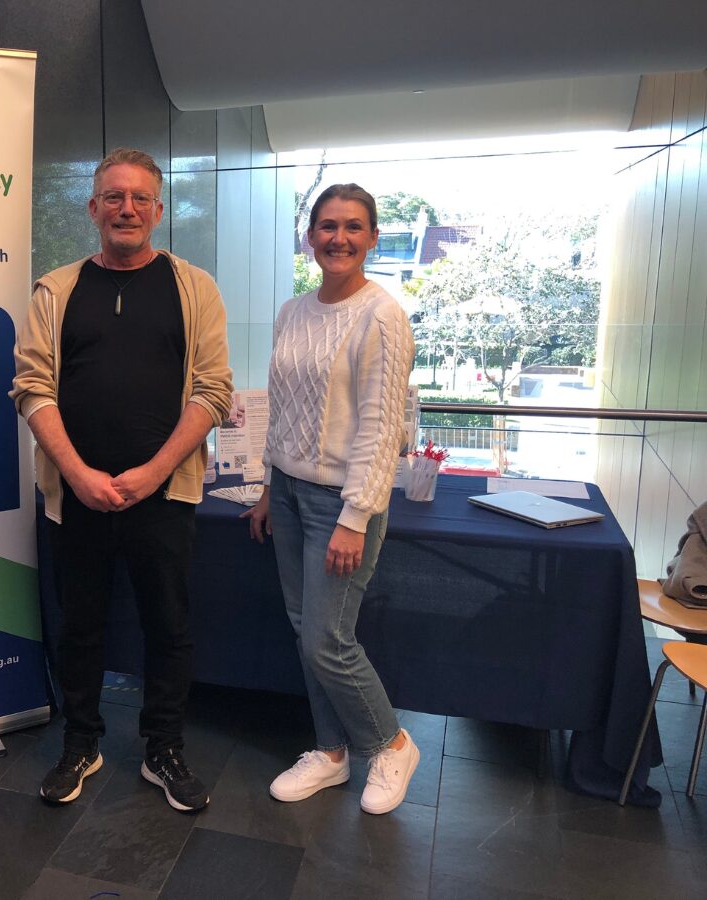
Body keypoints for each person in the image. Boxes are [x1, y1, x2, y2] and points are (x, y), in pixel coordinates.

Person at [11, 148, 232, 812]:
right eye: (113, 197)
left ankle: (163, 749)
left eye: (139, 198)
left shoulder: (194, 288)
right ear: (93, 208)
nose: (126, 208)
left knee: (168, 626)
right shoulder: (56, 290)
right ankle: (81, 743)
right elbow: (31, 388)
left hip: (164, 495)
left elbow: (213, 390)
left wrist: (153, 472)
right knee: (79, 625)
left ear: (158, 211)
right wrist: (76, 474)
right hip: (75, 497)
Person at [243, 183, 418, 815]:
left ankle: (390, 742)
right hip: (288, 493)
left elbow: (381, 428)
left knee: (327, 640)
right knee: (303, 628)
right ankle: (331, 752)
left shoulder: (382, 316)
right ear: (309, 236)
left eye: (352, 226)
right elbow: (283, 410)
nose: (337, 238)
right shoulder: (292, 312)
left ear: (372, 237)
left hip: (340, 506)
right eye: (326, 226)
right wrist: (267, 486)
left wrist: (353, 518)